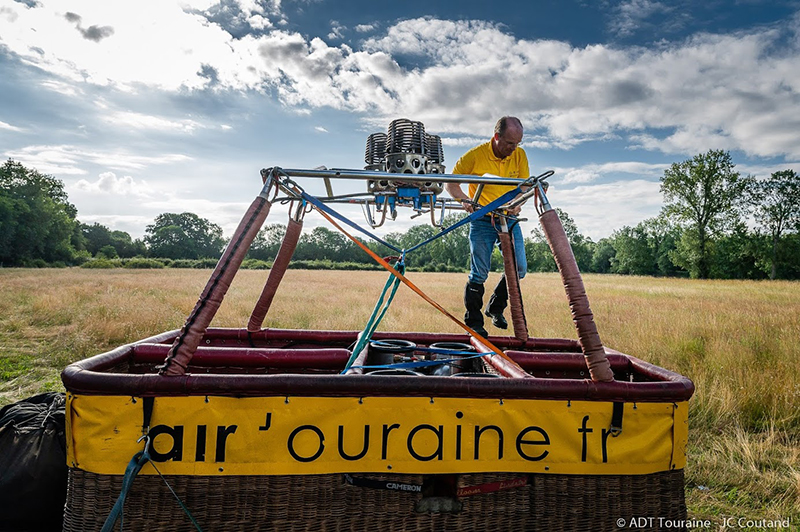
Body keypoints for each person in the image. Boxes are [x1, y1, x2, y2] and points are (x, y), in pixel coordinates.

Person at [445, 116, 529, 337]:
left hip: (509, 219)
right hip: (482, 218)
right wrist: (465, 200)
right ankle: (474, 322)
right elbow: (451, 183)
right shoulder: (474, 156)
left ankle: (495, 307)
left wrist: (517, 205)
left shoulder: (519, 155)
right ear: (496, 137)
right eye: (510, 143)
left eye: (517, 144)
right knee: (479, 272)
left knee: (519, 268)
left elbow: (522, 188)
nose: (513, 149)